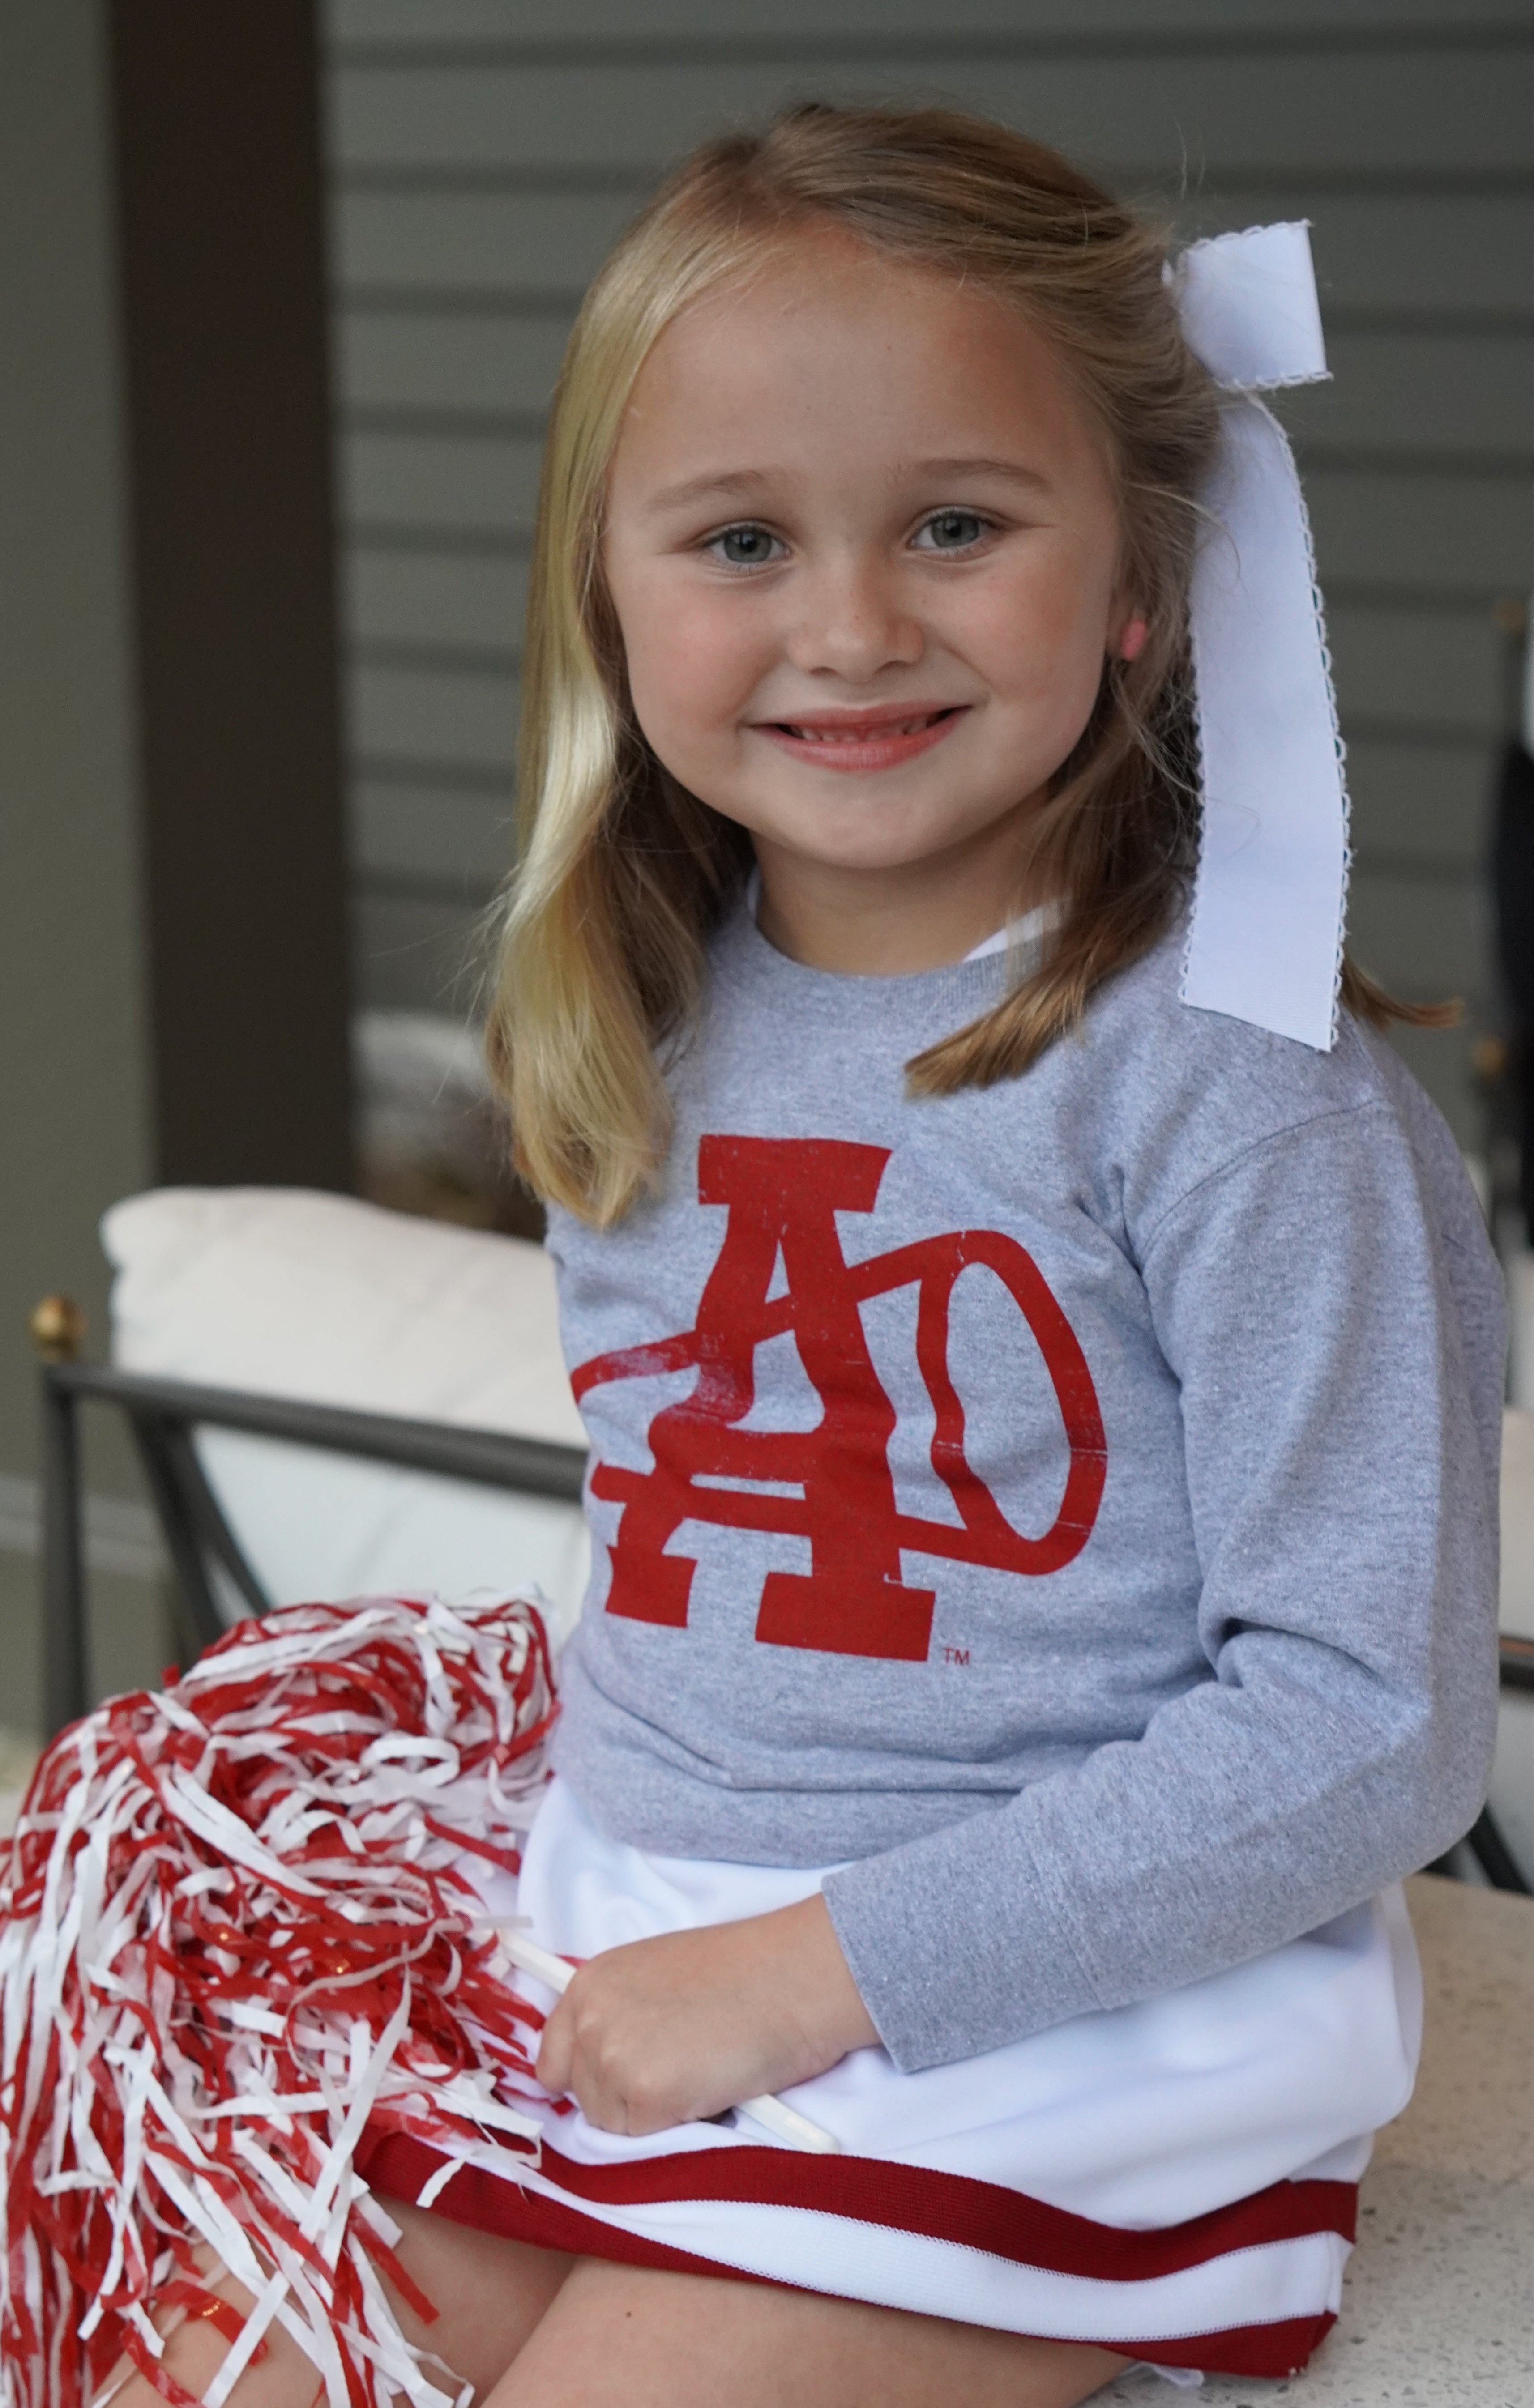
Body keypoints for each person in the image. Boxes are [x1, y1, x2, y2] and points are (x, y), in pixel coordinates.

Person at [103, 104, 1504, 2408]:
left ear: (1144, 576)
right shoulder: (635, 1014)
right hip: (628, 1938)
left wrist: (804, 1973)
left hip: (1046, 2018)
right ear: (608, 593)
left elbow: (1370, 1722)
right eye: (743, 537)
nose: (852, 627)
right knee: (205, 2363)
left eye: (958, 523)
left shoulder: (1239, 1089)